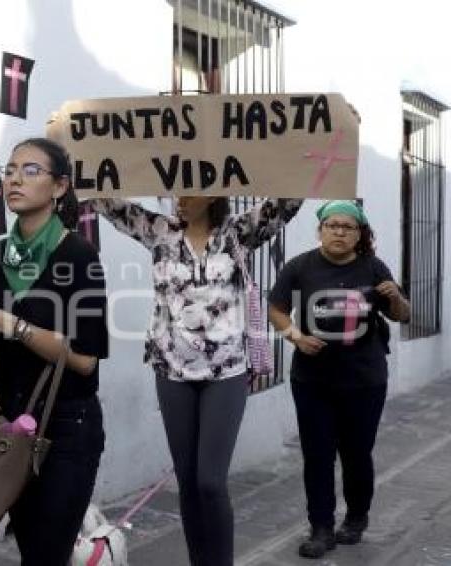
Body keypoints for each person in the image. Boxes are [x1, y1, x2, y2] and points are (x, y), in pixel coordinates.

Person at [89, 195, 302, 566]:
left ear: (212, 193)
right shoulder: (158, 231)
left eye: (189, 193)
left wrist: (326, 146)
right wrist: (77, 155)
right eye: (175, 194)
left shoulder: (238, 232)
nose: (179, 201)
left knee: (210, 481)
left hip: (226, 372)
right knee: (187, 483)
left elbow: (287, 202)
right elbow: (107, 203)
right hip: (171, 370)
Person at [0, 137, 109, 565]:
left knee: (48, 554)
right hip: (10, 424)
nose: (15, 179)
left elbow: (83, 358)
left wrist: (13, 324)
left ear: (59, 187)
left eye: (30, 170)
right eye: (10, 170)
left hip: (66, 426)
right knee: (27, 548)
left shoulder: (79, 255)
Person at [268, 200, 410, 559]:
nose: (339, 232)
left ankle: (357, 517)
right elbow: (276, 308)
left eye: (347, 226)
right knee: (317, 456)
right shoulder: (299, 267)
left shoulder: (373, 267)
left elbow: (402, 315)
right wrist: (296, 337)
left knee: (356, 454)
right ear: (321, 230)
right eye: (332, 225)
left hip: (364, 381)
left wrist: (395, 297)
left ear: (358, 233)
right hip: (312, 381)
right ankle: (321, 527)